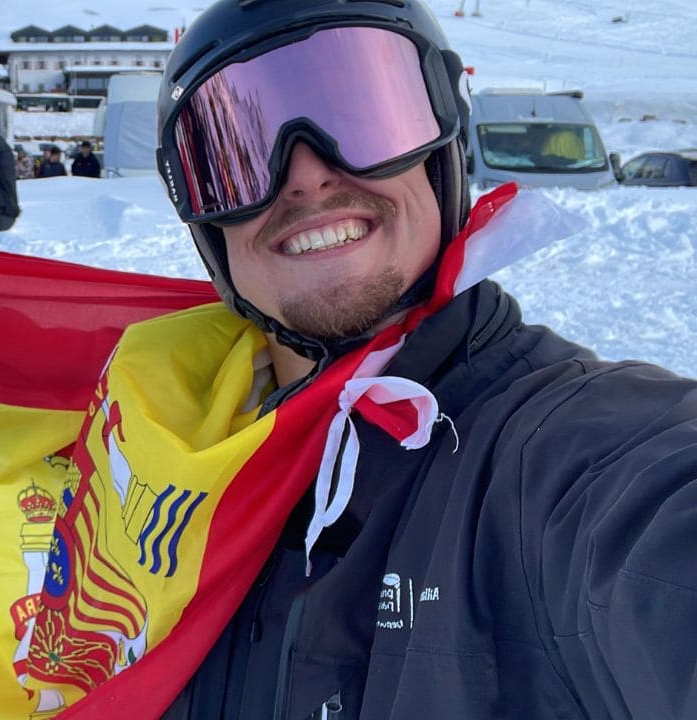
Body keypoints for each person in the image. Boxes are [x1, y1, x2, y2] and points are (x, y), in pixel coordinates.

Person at [148, 0, 697, 717]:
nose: (306, 175)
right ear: (204, 221)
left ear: (442, 148)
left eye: (364, 118)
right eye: (238, 155)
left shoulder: (559, 457)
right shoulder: (157, 460)